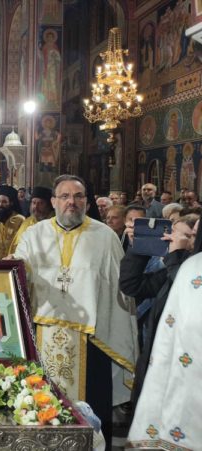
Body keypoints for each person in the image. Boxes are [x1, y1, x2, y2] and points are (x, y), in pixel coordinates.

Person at [12, 174, 137, 447]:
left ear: (87, 202)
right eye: (65, 196)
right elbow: (18, 273)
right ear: (54, 201)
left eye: (78, 196)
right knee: (39, 407)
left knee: (93, 414)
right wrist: (8, 268)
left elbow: (119, 290)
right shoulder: (33, 234)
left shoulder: (105, 237)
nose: (72, 202)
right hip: (41, 335)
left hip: (92, 340)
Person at [127, 227, 202, 449]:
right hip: (166, 366)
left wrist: (175, 258)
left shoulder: (187, 266)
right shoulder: (188, 266)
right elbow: (132, 284)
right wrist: (141, 246)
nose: (187, 240)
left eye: (192, 235)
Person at [9, 186, 54, 253]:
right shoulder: (27, 222)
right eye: (34, 203)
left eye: (41, 203)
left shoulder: (54, 224)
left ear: (48, 205)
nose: (36, 206)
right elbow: (16, 246)